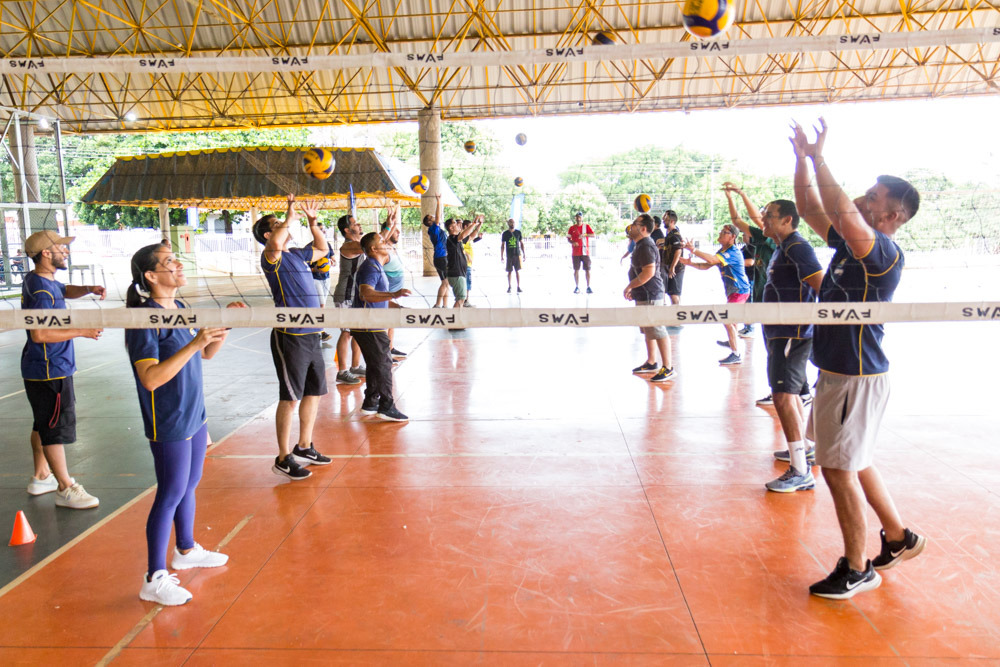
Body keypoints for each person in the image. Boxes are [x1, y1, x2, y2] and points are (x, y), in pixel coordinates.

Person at [791, 118, 926, 599]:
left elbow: (844, 212)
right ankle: (898, 536)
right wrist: (804, 159)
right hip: (837, 374)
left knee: (838, 469)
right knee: (857, 460)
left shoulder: (881, 252)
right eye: (865, 194)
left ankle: (857, 567)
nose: (864, 202)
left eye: (874, 198)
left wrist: (822, 157)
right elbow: (809, 206)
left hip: (856, 376)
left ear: (893, 217)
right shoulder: (850, 246)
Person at [125, 243, 244, 606]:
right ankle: (153, 578)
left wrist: (221, 329)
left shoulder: (181, 308)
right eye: (169, 261)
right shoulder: (143, 320)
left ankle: (186, 550)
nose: (178, 265)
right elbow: (151, 379)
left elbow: (205, 353)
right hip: (169, 419)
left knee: (190, 483)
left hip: (195, 412)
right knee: (170, 492)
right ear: (151, 275)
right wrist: (195, 343)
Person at [20, 230, 105, 509]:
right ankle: (65, 487)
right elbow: (40, 335)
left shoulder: (41, 280)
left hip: (42, 367)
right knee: (54, 427)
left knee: (43, 421)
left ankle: (41, 475)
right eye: (60, 247)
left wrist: (88, 289)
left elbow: (65, 290)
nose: (65, 251)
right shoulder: (43, 293)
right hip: (49, 368)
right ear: (46, 253)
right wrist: (82, 331)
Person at [747, 199, 826, 493]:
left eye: (769, 216)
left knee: (782, 395)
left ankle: (801, 471)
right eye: (764, 214)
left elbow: (821, 286)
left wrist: (816, 325)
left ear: (787, 220)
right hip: (781, 332)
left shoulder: (797, 247)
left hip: (792, 332)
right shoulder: (783, 247)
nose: (762, 219)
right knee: (788, 394)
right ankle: (802, 448)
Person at [253, 195, 332, 481]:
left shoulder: (297, 255)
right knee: (290, 398)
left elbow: (322, 248)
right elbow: (275, 242)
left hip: (312, 332)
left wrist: (312, 223)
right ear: (267, 233)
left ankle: (304, 446)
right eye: (276, 225)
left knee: (314, 393)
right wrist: (289, 214)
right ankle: (283, 457)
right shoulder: (270, 257)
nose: (285, 228)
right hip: (290, 335)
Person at [351, 232, 412, 422]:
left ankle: (371, 401)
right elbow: (366, 294)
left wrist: (399, 308)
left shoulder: (376, 266)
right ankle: (386, 405)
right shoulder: (370, 267)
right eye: (382, 241)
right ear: (373, 249)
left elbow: (380, 298)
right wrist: (394, 294)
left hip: (371, 324)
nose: (386, 243)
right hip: (369, 325)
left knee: (376, 364)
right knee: (384, 364)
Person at [680, 224, 751, 365]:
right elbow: (706, 266)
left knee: (727, 319)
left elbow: (711, 260)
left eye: (724, 232)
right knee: (732, 320)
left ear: (732, 237)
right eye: (721, 231)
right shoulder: (722, 251)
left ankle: (735, 353)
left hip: (740, 291)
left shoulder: (733, 252)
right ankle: (733, 341)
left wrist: (693, 250)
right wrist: (690, 263)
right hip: (734, 291)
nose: (720, 233)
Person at [624, 215, 675, 383]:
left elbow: (649, 272)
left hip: (652, 294)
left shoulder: (646, 245)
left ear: (643, 228)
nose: (631, 227)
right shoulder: (639, 245)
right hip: (643, 294)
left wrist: (630, 285)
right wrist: (635, 288)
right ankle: (652, 362)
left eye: (635, 224)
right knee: (648, 330)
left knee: (658, 330)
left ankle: (668, 368)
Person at [723, 183, 777, 339]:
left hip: (776, 300)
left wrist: (742, 193)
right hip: (763, 296)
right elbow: (737, 221)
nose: (763, 218)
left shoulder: (774, 237)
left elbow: (757, 219)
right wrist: (730, 197)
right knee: (771, 346)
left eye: (767, 214)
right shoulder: (761, 236)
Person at [331, 213, 366, 384]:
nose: (359, 225)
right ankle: (342, 371)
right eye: (355, 224)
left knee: (357, 332)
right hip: (345, 294)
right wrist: (386, 231)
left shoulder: (357, 244)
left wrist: (389, 227)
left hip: (355, 295)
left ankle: (355, 366)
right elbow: (369, 246)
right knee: (346, 332)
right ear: (347, 230)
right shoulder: (349, 246)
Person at [380, 204, 408, 360]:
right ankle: (384, 352)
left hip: (396, 292)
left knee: (392, 321)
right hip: (387, 292)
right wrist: (390, 223)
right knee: (385, 322)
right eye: (395, 230)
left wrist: (394, 217)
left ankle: (390, 348)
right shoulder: (384, 250)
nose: (398, 233)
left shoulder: (393, 248)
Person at [445, 215, 483, 308]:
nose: (459, 225)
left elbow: (471, 237)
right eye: (455, 223)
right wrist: (473, 223)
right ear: (451, 228)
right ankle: (454, 319)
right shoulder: (452, 238)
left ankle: (456, 318)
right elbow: (463, 235)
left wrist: (479, 225)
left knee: (461, 298)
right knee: (461, 299)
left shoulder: (457, 239)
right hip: (456, 273)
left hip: (459, 273)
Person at [422, 194, 448, 308]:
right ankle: (437, 305)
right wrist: (438, 202)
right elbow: (437, 218)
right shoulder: (433, 228)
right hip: (441, 258)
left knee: (446, 283)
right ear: (429, 221)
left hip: (442, 257)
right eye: (430, 216)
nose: (433, 216)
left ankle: (445, 306)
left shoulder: (435, 229)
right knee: (445, 283)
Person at [567, 211, 594, 293]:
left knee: (587, 269)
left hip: (585, 252)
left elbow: (592, 235)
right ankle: (577, 286)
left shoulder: (586, 226)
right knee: (576, 270)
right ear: (575, 218)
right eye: (577, 217)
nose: (578, 218)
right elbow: (568, 238)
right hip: (575, 253)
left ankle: (588, 286)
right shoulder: (572, 228)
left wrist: (585, 235)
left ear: (582, 218)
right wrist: (573, 242)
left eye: (580, 217)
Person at [662, 210, 685, 305]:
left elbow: (678, 250)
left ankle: (677, 316)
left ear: (672, 221)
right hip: (671, 267)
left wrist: (672, 267)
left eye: (666, 219)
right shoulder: (669, 234)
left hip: (677, 268)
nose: (663, 221)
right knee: (671, 292)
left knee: (674, 294)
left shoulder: (675, 235)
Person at [461, 219, 483, 306]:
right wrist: (467, 254)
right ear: (466, 227)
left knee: (468, 282)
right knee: (467, 282)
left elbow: (473, 238)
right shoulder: (462, 236)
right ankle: (465, 300)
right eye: (471, 226)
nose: (472, 228)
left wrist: (479, 225)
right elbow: (460, 248)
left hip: (468, 264)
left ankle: (465, 300)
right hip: (465, 264)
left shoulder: (467, 237)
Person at [500, 218, 525, 293]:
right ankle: (509, 286)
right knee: (509, 271)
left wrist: (524, 254)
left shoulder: (518, 233)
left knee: (517, 270)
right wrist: (501, 256)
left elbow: (521, 243)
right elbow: (502, 245)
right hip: (509, 255)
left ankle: (518, 286)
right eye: (511, 222)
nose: (512, 224)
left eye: (513, 222)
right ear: (508, 223)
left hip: (517, 254)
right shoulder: (505, 233)